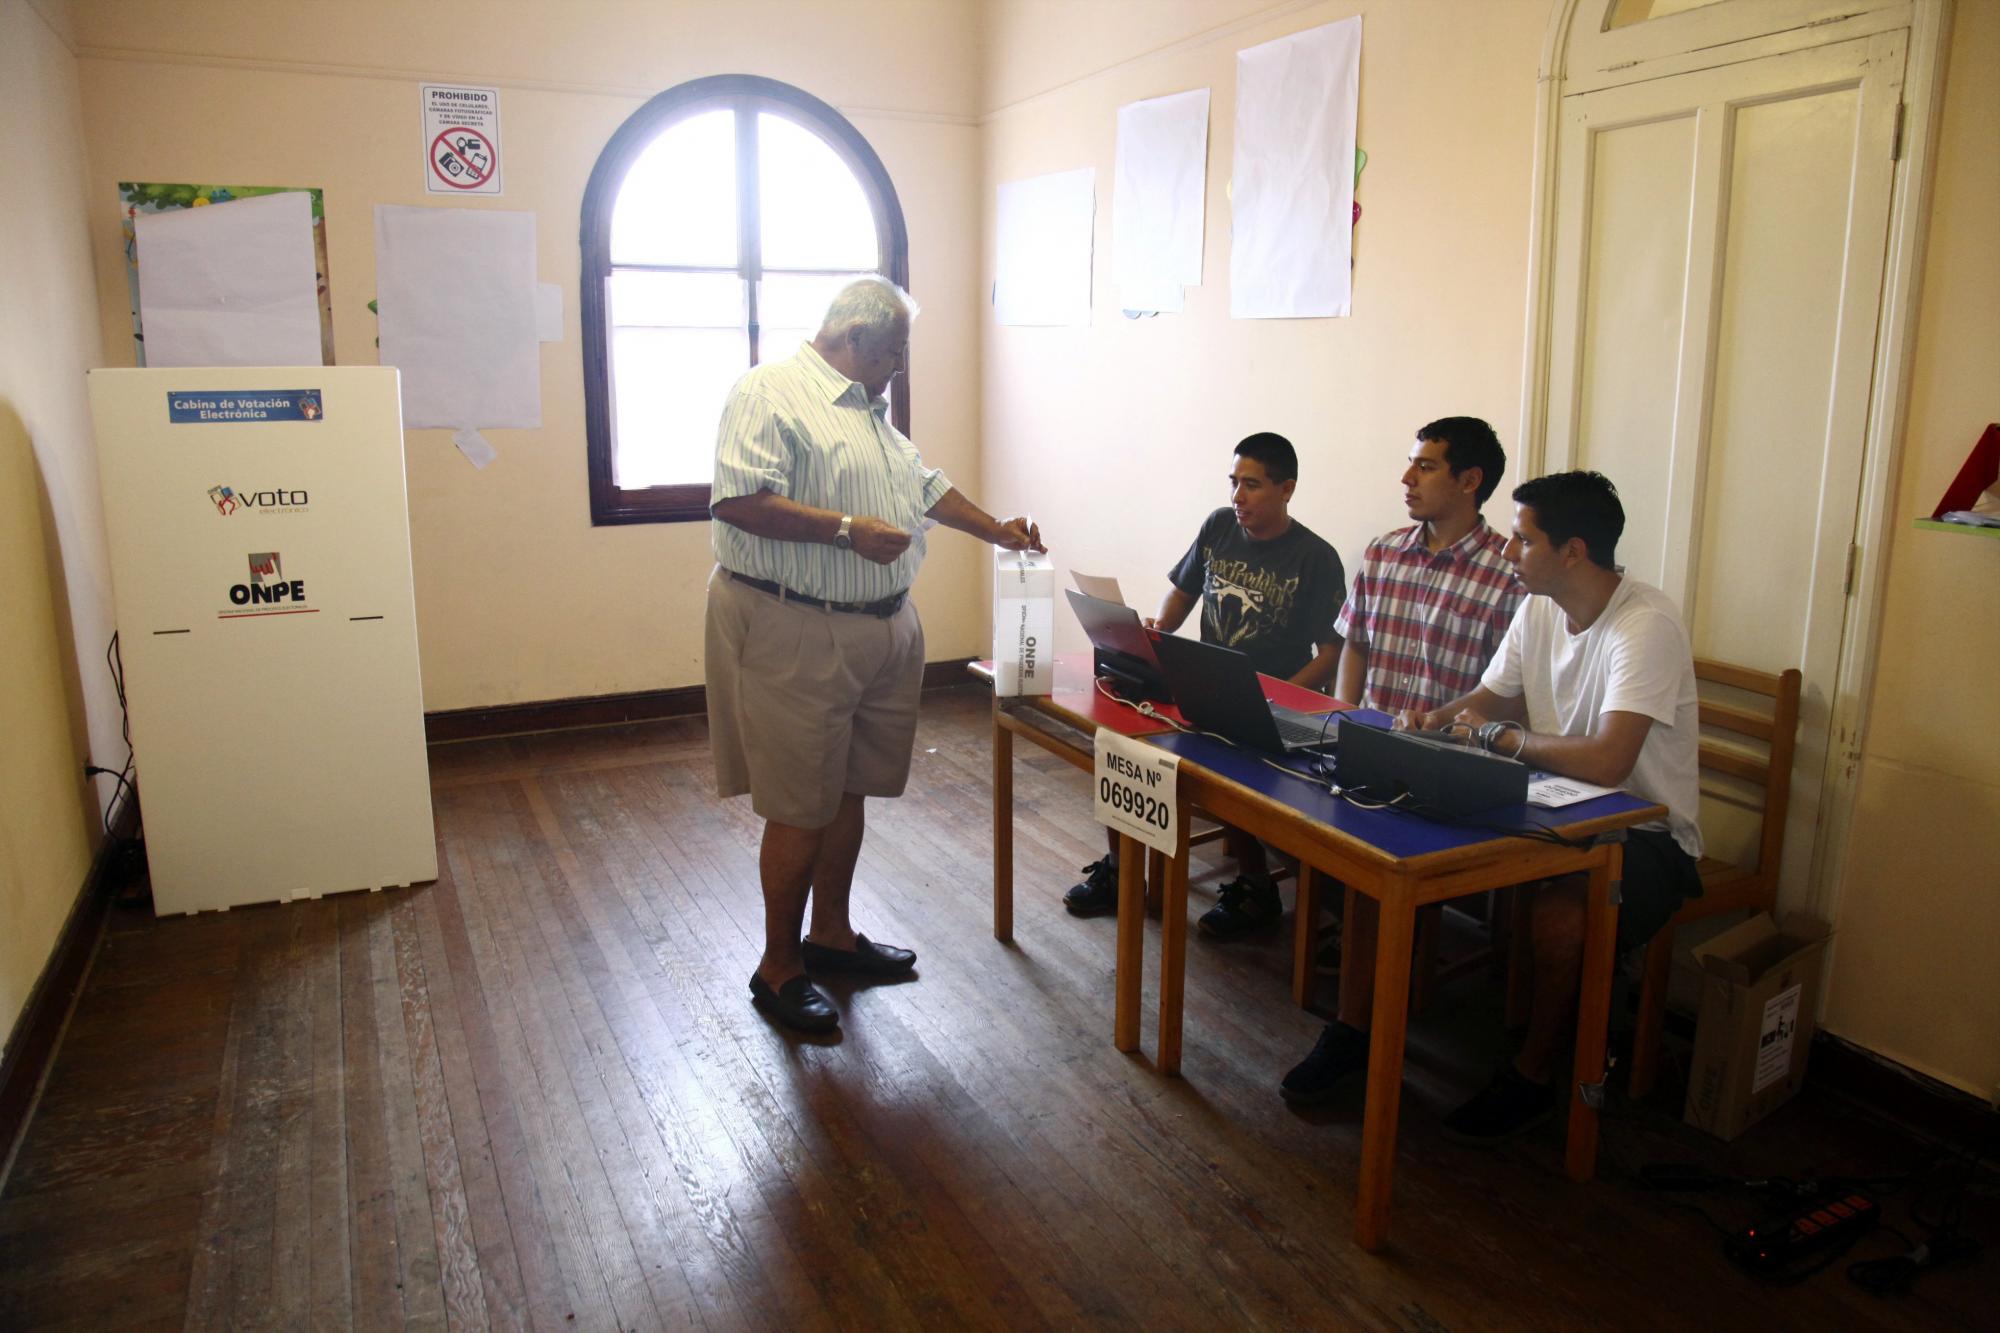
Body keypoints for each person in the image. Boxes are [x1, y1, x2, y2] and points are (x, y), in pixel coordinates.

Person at [1282, 471, 1703, 1145]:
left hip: (1643, 832)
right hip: (1548, 808)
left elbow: (1607, 762)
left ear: (1572, 550)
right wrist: (1428, 720)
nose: (1507, 553)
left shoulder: (1644, 625)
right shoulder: (1539, 605)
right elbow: (1492, 699)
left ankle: (1533, 1073)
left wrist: (1498, 738)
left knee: (1562, 922)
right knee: (1379, 841)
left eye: (1521, 538)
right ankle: (1353, 1031)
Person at [707, 276, 1044, 1034]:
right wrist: (844, 530)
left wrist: (998, 531)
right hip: (797, 624)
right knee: (800, 803)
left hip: (882, 627)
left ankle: (830, 933)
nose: (900, 364)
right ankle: (778, 966)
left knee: (849, 788)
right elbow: (737, 500)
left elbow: (924, 488)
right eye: (895, 350)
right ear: (854, 338)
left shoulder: (871, 415)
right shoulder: (770, 392)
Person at [1063, 432, 1345, 936]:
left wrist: (1279, 698)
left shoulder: (1315, 558)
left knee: (1228, 763)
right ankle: (1121, 868)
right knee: (1121, 741)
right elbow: (1182, 593)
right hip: (1206, 685)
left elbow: (1330, 653)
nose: (1237, 496)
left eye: (1252, 485)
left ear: (1287, 488)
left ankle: (1257, 889)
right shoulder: (1219, 526)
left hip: (1271, 701)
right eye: (1234, 482)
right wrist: (1157, 630)